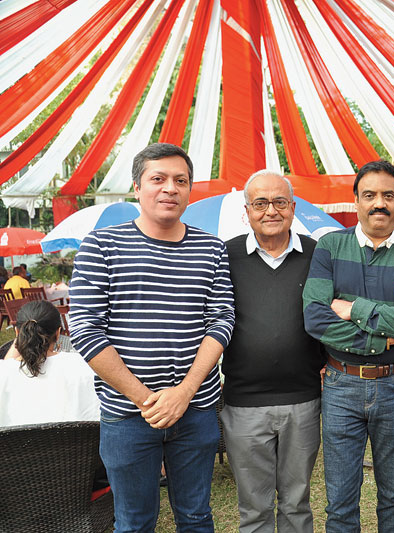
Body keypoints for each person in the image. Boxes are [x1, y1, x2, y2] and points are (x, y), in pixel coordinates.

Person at [69, 143, 235, 532]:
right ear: (136, 187)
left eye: (181, 180)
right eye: (157, 179)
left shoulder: (210, 248)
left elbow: (222, 319)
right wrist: (146, 399)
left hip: (195, 410)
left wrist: (184, 392)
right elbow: (85, 328)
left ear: (190, 189)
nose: (170, 189)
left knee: (196, 517)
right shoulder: (101, 246)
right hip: (128, 414)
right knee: (133, 521)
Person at [303, 160, 394, 533]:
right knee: (340, 501)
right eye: (370, 195)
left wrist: (353, 309)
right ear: (356, 202)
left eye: (388, 195)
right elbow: (316, 319)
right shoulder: (330, 246)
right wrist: (390, 330)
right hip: (340, 385)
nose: (379, 203)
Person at [220, 170, 325, 533]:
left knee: (297, 503)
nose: (271, 211)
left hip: (303, 399)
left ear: (293, 207)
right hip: (244, 402)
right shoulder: (224, 255)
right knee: (254, 507)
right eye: (260, 203)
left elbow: (331, 311)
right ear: (247, 210)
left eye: (280, 202)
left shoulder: (317, 254)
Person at [0, 300, 99, 426]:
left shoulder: (5, 372)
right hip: (73, 443)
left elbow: (8, 367)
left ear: (17, 333)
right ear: (58, 333)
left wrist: (20, 338)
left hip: (14, 445)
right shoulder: (83, 366)